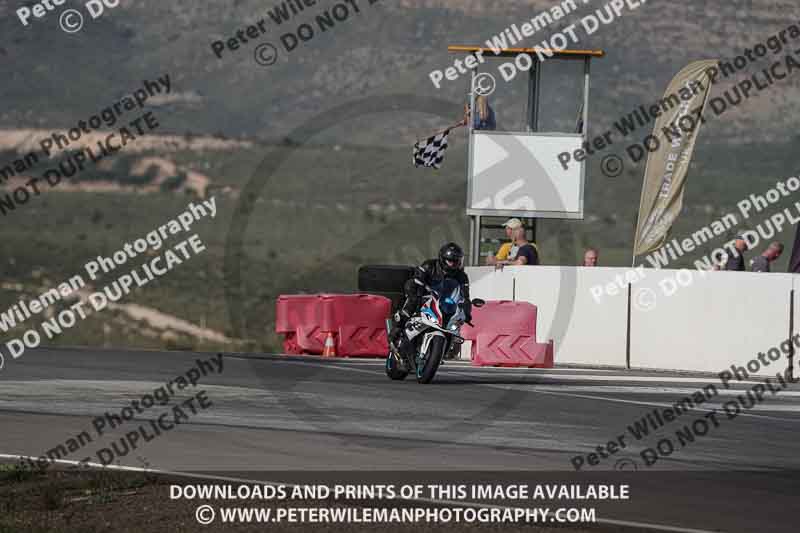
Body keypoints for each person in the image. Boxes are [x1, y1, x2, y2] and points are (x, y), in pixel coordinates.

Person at [389, 242, 472, 349]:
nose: (453, 264)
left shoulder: (462, 276)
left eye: (456, 261)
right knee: (413, 299)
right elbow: (418, 281)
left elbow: (465, 296)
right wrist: (418, 295)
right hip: (423, 292)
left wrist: (467, 313)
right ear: (443, 259)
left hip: (442, 298)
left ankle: (449, 344)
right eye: (450, 261)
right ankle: (397, 329)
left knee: (455, 316)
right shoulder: (429, 265)